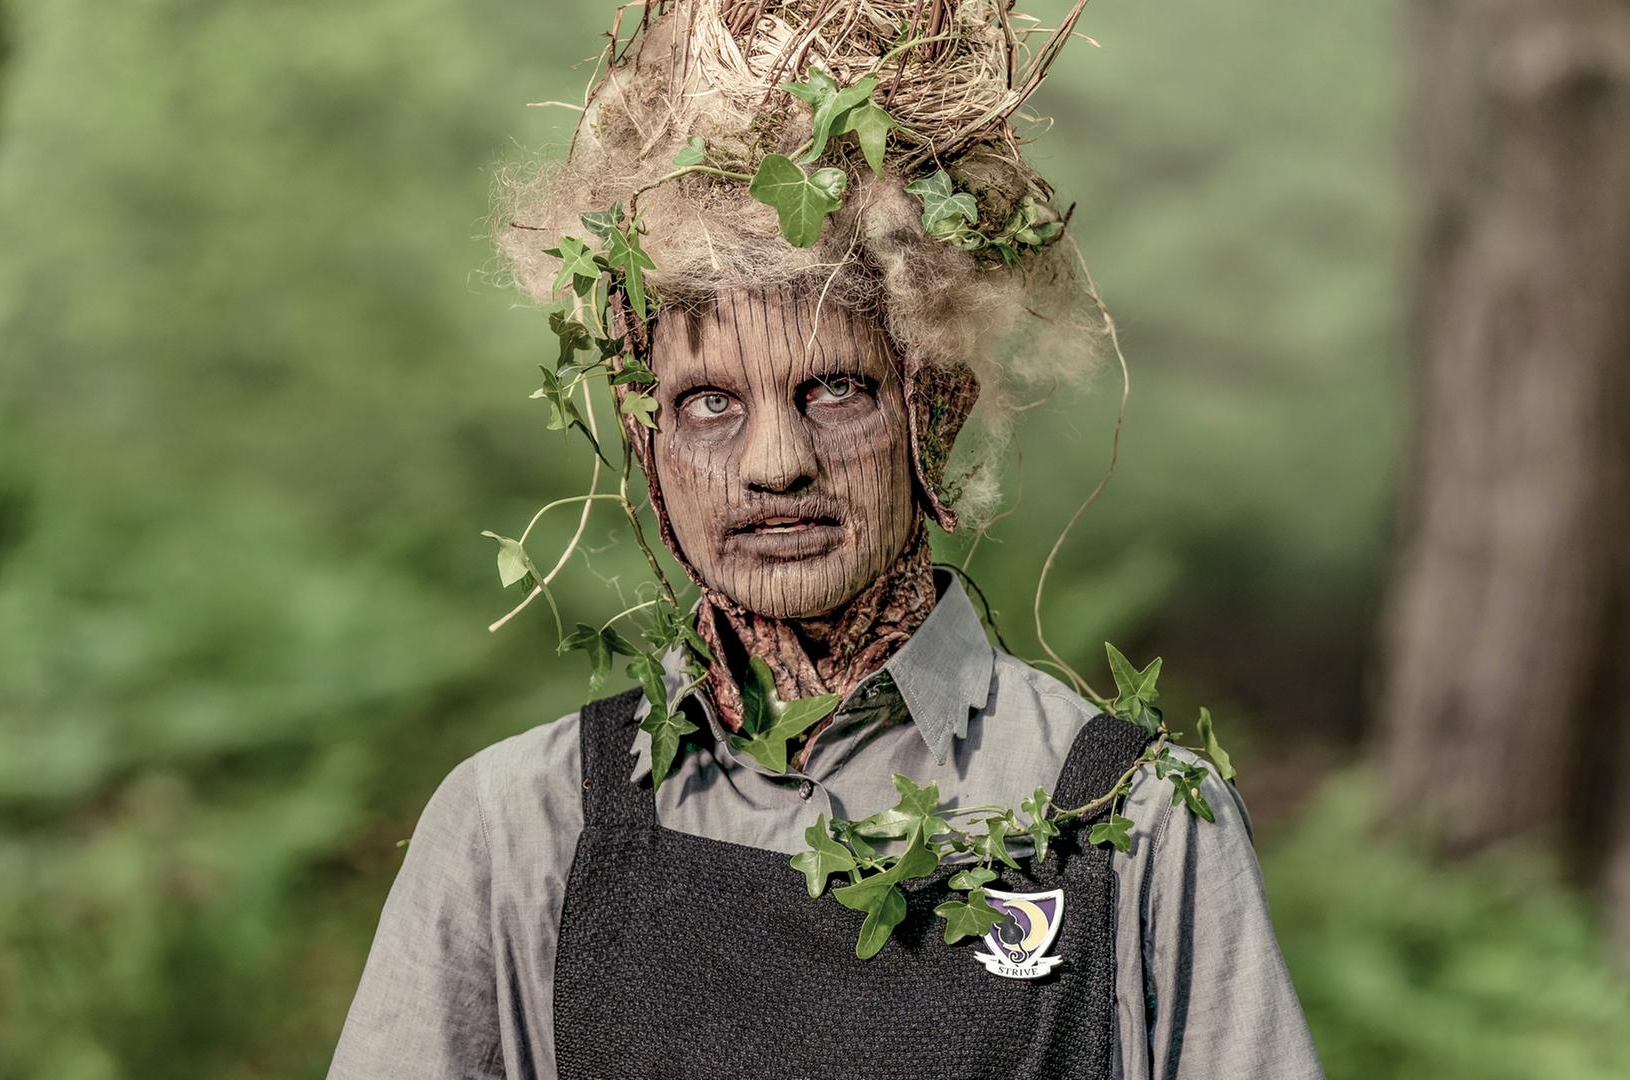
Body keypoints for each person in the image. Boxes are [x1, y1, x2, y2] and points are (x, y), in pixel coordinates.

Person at [330, 3, 1322, 1077]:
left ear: (930, 413)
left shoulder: (1134, 823)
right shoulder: (516, 831)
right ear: (643, 436)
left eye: (836, 390)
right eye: (709, 403)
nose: (773, 464)